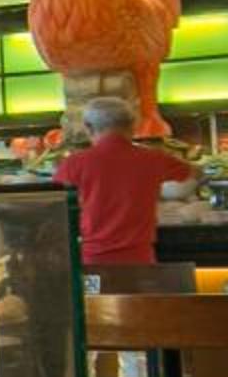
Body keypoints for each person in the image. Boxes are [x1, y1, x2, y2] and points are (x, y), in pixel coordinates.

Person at [53, 95, 193, 267]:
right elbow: (194, 173)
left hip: (91, 261)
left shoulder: (73, 164)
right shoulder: (154, 159)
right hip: (141, 260)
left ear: (88, 127)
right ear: (132, 125)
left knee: (95, 287)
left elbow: (57, 212)